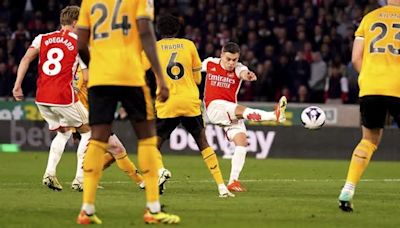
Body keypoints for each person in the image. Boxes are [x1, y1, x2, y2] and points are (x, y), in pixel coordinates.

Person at [76, 0, 180, 225]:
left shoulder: (89, 2)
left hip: (100, 77)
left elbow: (81, 43)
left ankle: (87, 209)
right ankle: (153, 208)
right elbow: (145, 32)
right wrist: (161, 77)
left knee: (97, 139)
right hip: (130, 75)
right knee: (147, 138)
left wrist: (95, 66)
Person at [142, 14, 234, 198]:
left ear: (158, 31)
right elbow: (198, 77)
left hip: (166, 102)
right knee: (203, 143)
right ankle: (222, 187)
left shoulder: (153, 47)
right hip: (190, 101)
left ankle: (159, 172)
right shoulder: (189, 45)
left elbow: (140, 70)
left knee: (153, 145)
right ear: (177, 29)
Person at [12, 6, 91, 192]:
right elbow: (87, 78)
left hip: (42, 97)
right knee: (88, 132)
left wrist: (17, 85)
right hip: (63, 96)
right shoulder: (80, 43)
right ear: (75, 23)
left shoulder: (42, 38)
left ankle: (49, 173)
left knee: (63, 133)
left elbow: (25, 59)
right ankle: (80, 179)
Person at [338, 0, 400, 212]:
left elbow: (356, 58)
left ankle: (348, 188)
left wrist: (372, 77)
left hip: (370, 86)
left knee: (369, 140)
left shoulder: (369, 18)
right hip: (398, 85)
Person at [202, 42, 287, 192]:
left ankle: (233, 181)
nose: (231, 63)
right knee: (239, 109)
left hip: (230, 109)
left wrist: (248, 75)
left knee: (242, 141)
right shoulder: (210, 63)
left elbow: (243, 73)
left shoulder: (239, 68)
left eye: (234, 60)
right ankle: (274, 115)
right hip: (214, 108)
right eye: (228, 59)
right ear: (221, 55)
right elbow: (193, 69)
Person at [71, 59, 145, 191]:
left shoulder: (83, 71)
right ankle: (142, 182)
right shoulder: (83, 73)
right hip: (89, 119)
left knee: (112, 153)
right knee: (117, 149)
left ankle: (86, 178)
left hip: (89, 117)